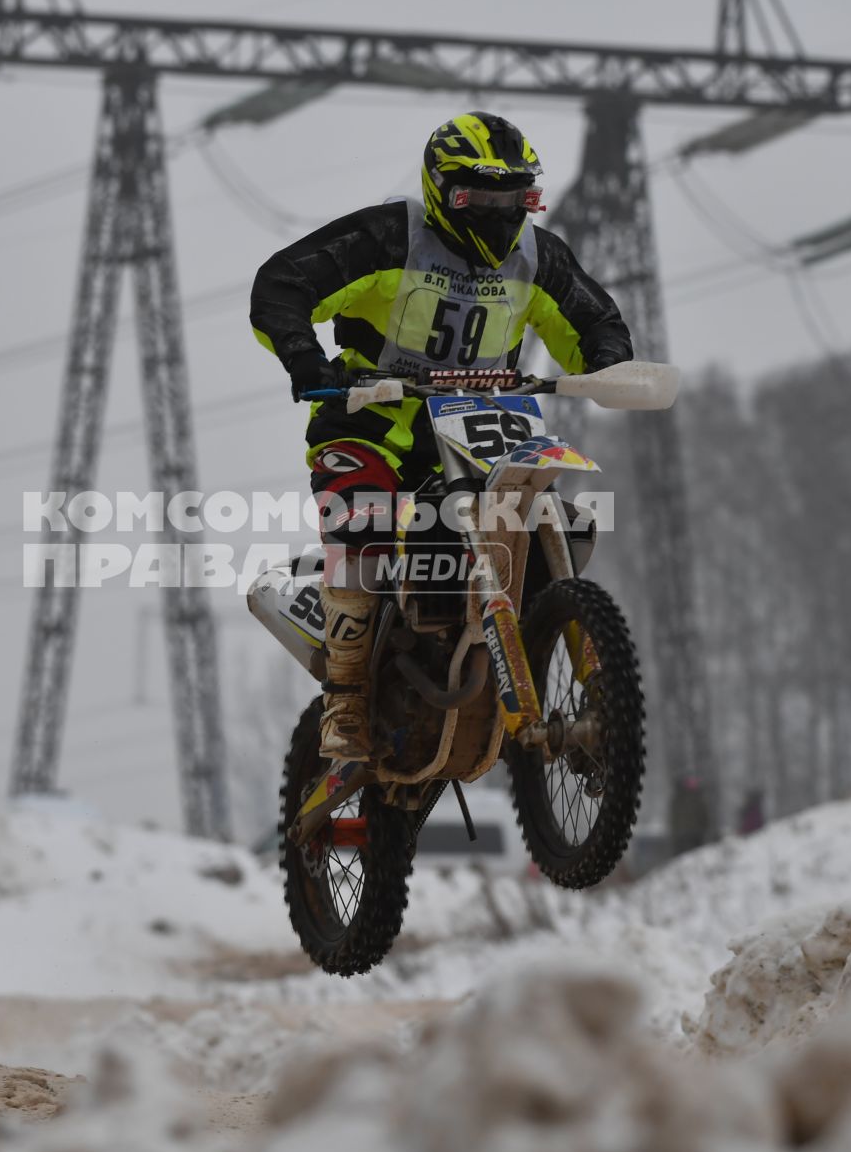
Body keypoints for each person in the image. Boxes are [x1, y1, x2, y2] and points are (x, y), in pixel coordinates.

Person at [249, 112, 634, 764]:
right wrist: (304, 359)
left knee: (560, 525)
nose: (497, 211)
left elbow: (594, 322)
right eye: (480, 196)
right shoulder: (388, 238)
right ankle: (344, 702)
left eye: (514, 197)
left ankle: (544, 667)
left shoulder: (537, 257)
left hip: (481, 437)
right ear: (441, 190)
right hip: (375, 428)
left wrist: (609, 365)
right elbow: (282, 283)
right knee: (362, 525)